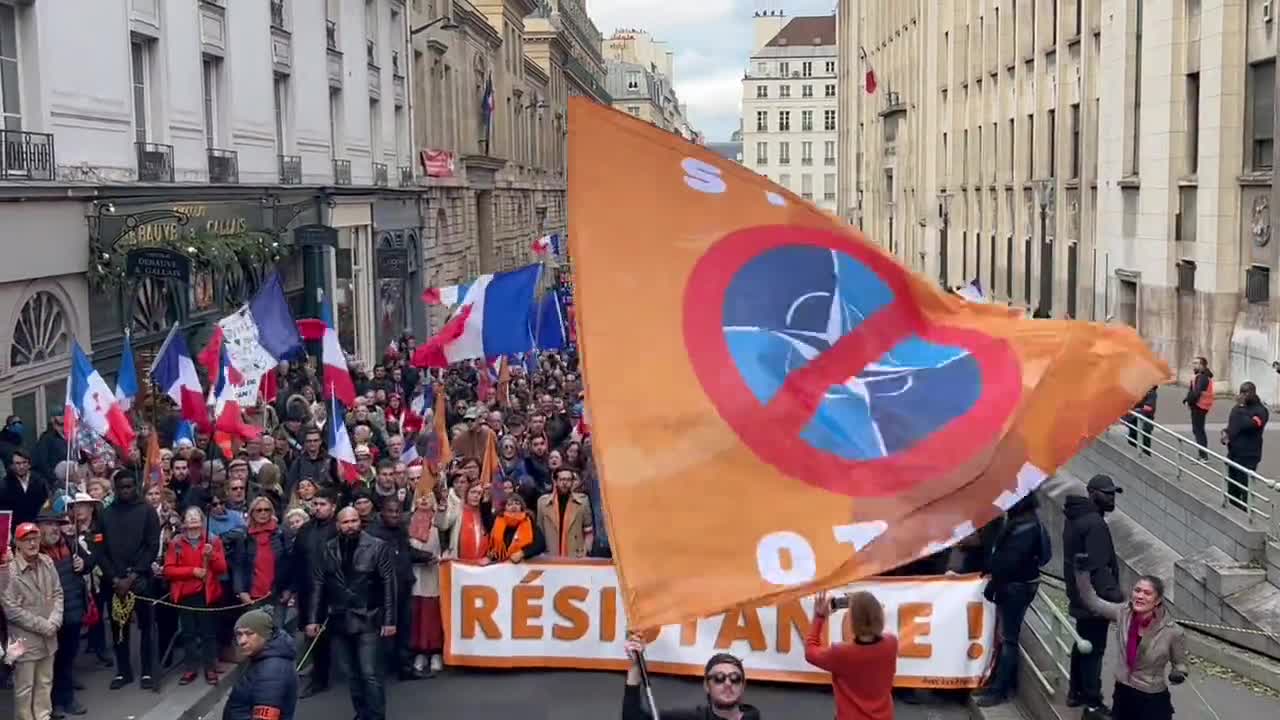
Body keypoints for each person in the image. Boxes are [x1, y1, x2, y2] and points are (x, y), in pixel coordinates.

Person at [305, 507, 397, 720]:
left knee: (369, 673)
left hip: (369, 617)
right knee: (352, 674)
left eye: (354, 521)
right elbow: (318, 585)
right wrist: (312, 619)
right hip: (338, 619)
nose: (351, 526)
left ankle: (375, 716)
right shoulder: (327, 549)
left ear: (360, 522)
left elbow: (389, 585)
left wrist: (390, 620)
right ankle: (361, 714)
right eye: (346, 522)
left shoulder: (377, 547)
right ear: (338, 525)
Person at [1073, 558, 1188, 720]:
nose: (1140, 596)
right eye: (1137, 590)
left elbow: (1180, 663)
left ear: (1157, 601)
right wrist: (1081, 574)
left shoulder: (1173, 632)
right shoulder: (1122, 613)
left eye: (1147, 593)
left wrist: (1179, 673)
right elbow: (1092, 601)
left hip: (1152, 699)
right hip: (1123, 691)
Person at [974, 493, 1052, 707]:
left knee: (1008, 639)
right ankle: (999, 686)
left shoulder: (1022, 529)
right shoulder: (1032, 524)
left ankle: (999, 690)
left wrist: (994, 584)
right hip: (1021, 585)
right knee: (1006, 637)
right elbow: (1045, 556)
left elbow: (1007, 562)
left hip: (1014, 588)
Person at [1063, 474, 1125, 716]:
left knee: (1082, 644)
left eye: (1113, 493)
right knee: (1094, 650)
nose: (1111, 497)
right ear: (1092, 493)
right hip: (1094, 599)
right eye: (1106, 493)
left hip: (1079, 593)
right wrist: (1114, 597)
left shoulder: (1076, 518)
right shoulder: (1095, 524)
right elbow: (1099, 567)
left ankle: (1075, 692)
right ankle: (1092, 700)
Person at [98, 470, 160, 690]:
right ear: (115, 489)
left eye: (129, 486)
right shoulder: (105, 514)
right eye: (121, 487)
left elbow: (153, 545)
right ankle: (123, 672)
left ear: (135, 487)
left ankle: (147, 672)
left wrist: (133, 575)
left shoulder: (148, 511)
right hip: (114, 582)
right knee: (118, 629)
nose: (125, 491)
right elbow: (99, 548)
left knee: (146, 627)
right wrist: (115, 578)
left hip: (140, 579)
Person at [621, 634, 762, 720]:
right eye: (719, 678)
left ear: (743, 686)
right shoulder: (694, 717)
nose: (728, 683)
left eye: (735, 678)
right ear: (707, 685)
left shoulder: (753, 717)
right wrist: (635, 667)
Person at [2, 522, 62, 720]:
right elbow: (11, 610)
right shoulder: (8, 571)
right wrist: (45, 626)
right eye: (26, 540)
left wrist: (55, 620)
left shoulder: (47, 561)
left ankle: (43, 717)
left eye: (35, 538)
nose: (32, 543)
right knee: (24, 688)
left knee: (45, 683)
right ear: (17, 543)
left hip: (49, 637)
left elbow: (58, 593)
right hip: (25, 641)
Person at [804, 590, 896, 720]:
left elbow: (810, 650)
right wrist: (866, 608)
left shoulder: (841, 653)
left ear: (852, 621)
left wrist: (819, 617)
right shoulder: (891, 643)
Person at [164, 506, 228, 686]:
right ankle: (190, 667)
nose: (192, 519)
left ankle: (209, 667)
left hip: (206, 594)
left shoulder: (213, 540)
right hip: (185, 594)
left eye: (196, 516)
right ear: (184, 521)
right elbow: (168, 570)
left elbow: (222, 568)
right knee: (188, 632)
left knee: (208, 632)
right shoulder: (176, 543)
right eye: (189, 516)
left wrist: (212, 555)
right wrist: (192, 571)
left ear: (202, 520)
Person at [39, 508, 91, 717]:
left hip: (73, 609)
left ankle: (67, 699)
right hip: (49, 614)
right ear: (39, 527)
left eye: (56, 524)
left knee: (68, 658)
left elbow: (90, 561)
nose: (54, 528)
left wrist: (83, 563)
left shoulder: (70, 543)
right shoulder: (34, 549)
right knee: (51, 660)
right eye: (49, 524)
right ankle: (53, 702)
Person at [294, 488, 338, 698]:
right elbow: (296, 559)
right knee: (314, 635)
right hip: (307, 589)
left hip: (332, 591)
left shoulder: (339, 529)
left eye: (323, 504)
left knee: (331, 634)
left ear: (333, 507)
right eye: (316, 504)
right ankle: (318, 678)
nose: (318, 508)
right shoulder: (305, 530)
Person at [222, 608, 298, 720]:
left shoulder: (272, 672)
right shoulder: (263, 656)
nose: (242, 641)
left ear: (265, 635)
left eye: (249, 634)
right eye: (239, 634)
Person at [405, 495, 444, 677]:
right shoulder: (408, 520)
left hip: (435, 573)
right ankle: (419, 652)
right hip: (414, 574)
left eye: (428, 496)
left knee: (433, 615)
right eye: (420, 496)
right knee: (417, 615)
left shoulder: (440, 519)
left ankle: (435, 652)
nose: (423, 500)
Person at [1222, 381, 1269, 512]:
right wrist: (1226, 434)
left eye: (1245, 392)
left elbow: (1251, 425)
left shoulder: (1260, 410)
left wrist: (1241, 408)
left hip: (1249, 455)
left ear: (1253, 393)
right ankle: (1233, 509)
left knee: (1245, 486)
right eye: (1241, 392)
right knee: (1232, 486)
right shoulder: (1237, 409)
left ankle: (1247, 512)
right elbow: (1233, 425)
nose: (1242, 395)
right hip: (1233, 453)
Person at [535, 468, 594, 558]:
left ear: (572, 482)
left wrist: (585, 552)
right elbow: (540, 531)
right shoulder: (543, 503)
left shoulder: (583, 502)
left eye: (568, 480)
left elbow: (589, 531)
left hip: (576, 556)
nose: (565, 483)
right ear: (555, 481)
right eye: (562, 479)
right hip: (550, 557)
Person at [489, 493, 545, 564]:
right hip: (502, 568)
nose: (514, 507)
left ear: (521, 507)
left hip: (524, 566)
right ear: (504, 508)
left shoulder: (529, 522)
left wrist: (522, 553)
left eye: (517, 504)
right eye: (509, 504)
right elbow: (493, 546)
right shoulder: (497, 522)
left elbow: (540, 544)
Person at [1, 450, 49, 527]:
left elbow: (46, 504)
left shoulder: (40, 482)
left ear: (29, 464)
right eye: (18, 463)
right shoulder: (5, 484)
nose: (21, 466)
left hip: (36, 527)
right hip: (15, 528)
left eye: (24, 462)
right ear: (12, 465)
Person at [1184, 356, 1214, 460]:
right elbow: (1193, 390)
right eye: (1193, 363)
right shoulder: (1202, 376)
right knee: (1198, 430)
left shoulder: (1202, 377)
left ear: (1202, 365)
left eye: (1196, 363)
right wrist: (1186, 399)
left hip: (1199, 406)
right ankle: (1202, 455)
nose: (1194, 365)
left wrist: (1189, 401)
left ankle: (1203, 456)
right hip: (1201, 406)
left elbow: (1196, 393)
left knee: (1198, 430)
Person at [1127, 385, 1158, 456]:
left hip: (1144, 423)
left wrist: (1137, 409)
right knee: (1131, 441)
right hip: (1134, 421)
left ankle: (1145, 460)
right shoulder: (1139, 390)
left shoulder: (1151, 393)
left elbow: (1149, 408)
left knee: (1144, 447)